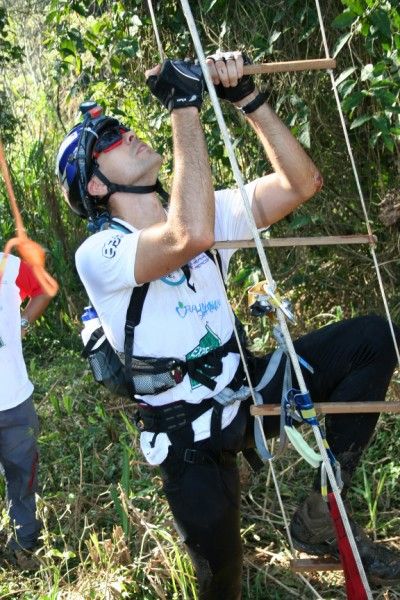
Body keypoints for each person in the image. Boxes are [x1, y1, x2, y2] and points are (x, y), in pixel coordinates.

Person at [56, 52, 400, 598]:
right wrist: (185, 105)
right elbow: (185, 238)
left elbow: (301, 182)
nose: (128, 135)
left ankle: (319, 514)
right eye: (110, 139)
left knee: (372, 340)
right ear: (95, 185)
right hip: (186, 433)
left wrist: (248, 101)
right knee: (223, 583)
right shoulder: (99, 252)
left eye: (124, 127)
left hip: (248, 391)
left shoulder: (207, 211)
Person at [0, 251, 52, 569]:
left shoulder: (7, 267)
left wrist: (22, 323)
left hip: (15, 401)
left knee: (21, 479)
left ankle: (24, 545)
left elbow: (44, 287)